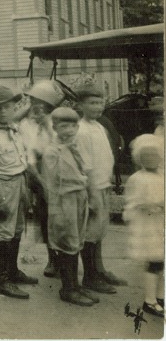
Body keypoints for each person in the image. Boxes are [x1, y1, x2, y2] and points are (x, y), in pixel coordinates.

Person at [0, 85, 37, 299]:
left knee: (17, 229)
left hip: (19, 184)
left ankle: (12, 271)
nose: (3, 112)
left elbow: (23, 161)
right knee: (2, 231)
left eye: (7, 107)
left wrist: (28, 188)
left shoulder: (15, 131)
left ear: (14, 108)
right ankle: (1, 281)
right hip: (2, 187)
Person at [42, 107, 99, 307]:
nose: (69, 130)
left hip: (78, 197)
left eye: (72, 125)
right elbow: (53, 181)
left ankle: (75, 285)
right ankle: (67, 288)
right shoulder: (52, 151)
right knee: (68, 243)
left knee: (77, 241)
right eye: (63, 126)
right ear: (55, 127)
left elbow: (85, 168)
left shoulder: (74, 146)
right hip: (63, 200)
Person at [75, 85, 125, 293]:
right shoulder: (82, 130)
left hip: (103, 185)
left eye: (100, 102)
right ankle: (89, 277)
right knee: (90, 233)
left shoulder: (99, 126)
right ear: (80, 106)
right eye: (92, 103)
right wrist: (92, 194)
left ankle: (99, 269)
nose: (98, 107)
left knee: (99, 231)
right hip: (91, 188)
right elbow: (84, 166)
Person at [19, 80, 65, 278]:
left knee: (63, 219)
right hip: (38, 174)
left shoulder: (57, 123)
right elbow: (29, 155)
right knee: (45, 217)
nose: (36, 107)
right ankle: (52, 258)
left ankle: (66, 258)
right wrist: (40, 182)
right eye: (33, 102)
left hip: (59, 173)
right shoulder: (25, 125)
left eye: (41, 104)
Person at [123, 134, 164, 317]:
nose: (151, 159)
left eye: (155, 155)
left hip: (160, 225)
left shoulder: (162, 176)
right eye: (145, 156)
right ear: (139, 159)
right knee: (154, 262)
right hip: (148, 227)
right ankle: (150, 300)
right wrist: (150, 206)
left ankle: (161, 296)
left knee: (161, 263)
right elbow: (132, 203)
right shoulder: (137, 179)